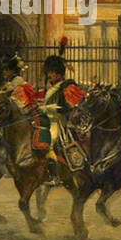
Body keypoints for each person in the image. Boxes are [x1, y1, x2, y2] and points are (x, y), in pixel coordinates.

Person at [40, 38, 86, 171]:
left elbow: (70, 107)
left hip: (58, 120)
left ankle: (53, 171)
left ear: (59, 73)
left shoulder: (67, 86)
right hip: (46, 117)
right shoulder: (51, 88)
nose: (49, 75)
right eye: (48, 72)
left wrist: (49, 108)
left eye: (52, 72)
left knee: (51, 138)